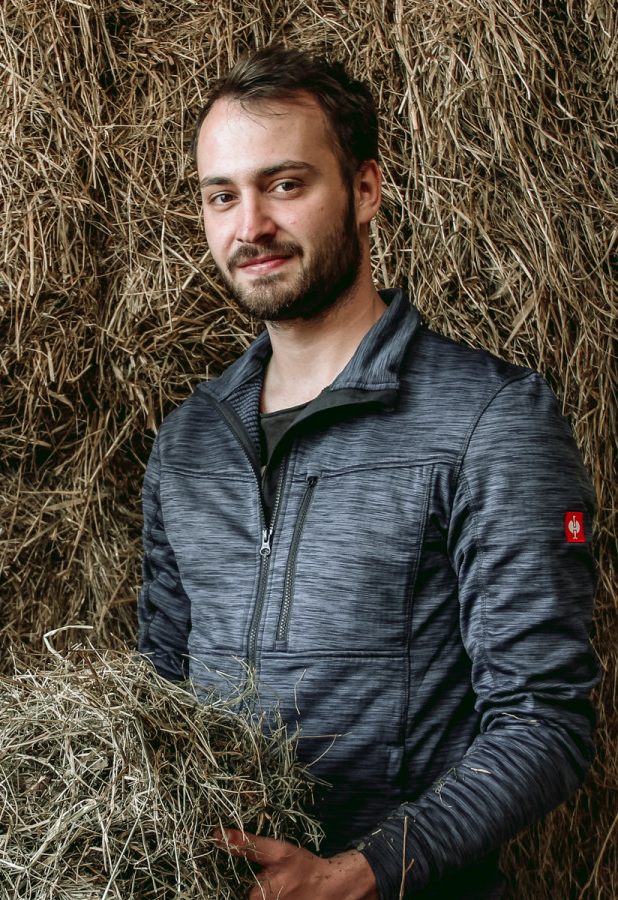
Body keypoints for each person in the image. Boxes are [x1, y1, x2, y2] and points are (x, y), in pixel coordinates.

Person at [137, 47, 597, 899]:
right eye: (221, 195)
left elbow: (548, 721)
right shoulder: (189, 442)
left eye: (285, 184)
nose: (250, 227)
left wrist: (363, 873)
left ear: (367, 190)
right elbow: (155, 695)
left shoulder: (491, 420)